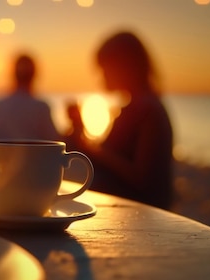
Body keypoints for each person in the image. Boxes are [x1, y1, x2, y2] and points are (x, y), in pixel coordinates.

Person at [66, 31, 173, 209]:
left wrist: (94, 151)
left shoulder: (148, 110)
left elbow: (143, 178)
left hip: (141, 211)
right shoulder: (138, 106)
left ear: (124, 65)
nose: (102, 76)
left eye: (104, 68)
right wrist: (82, 134)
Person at [0, 53, 60, 141]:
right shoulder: (41, 109)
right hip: (33, 155)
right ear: (34, 75)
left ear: (12, 74)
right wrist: (75, 126)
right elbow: (55, 144)